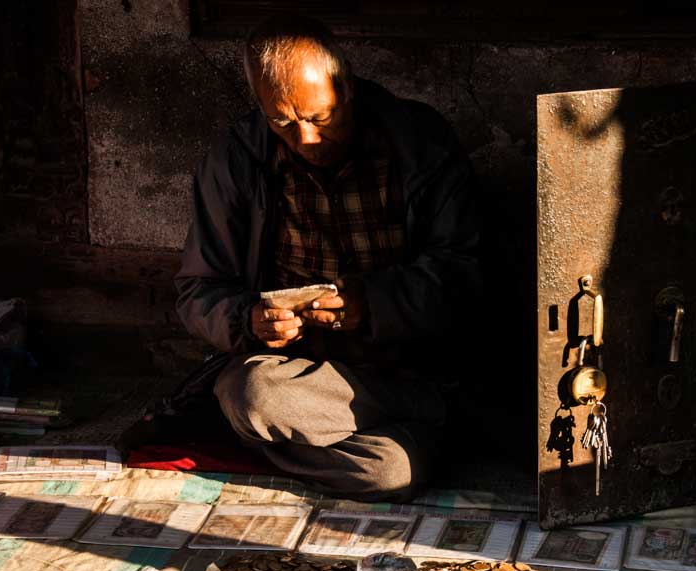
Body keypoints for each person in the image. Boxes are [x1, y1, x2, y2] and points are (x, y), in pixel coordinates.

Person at [173, 15, 480, 501]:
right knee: (256, 394)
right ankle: (429, 428)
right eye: (282, 122)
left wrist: (370, 305)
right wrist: (249, 320)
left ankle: (264, 435)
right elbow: (197, 291)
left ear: (347, 86)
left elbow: (464, 275)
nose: (305, 139)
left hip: (404, 371)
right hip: (297, 377)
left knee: (391, 467)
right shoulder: (236, 159)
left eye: (319, 117)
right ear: (260, 107)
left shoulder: (419, 145)